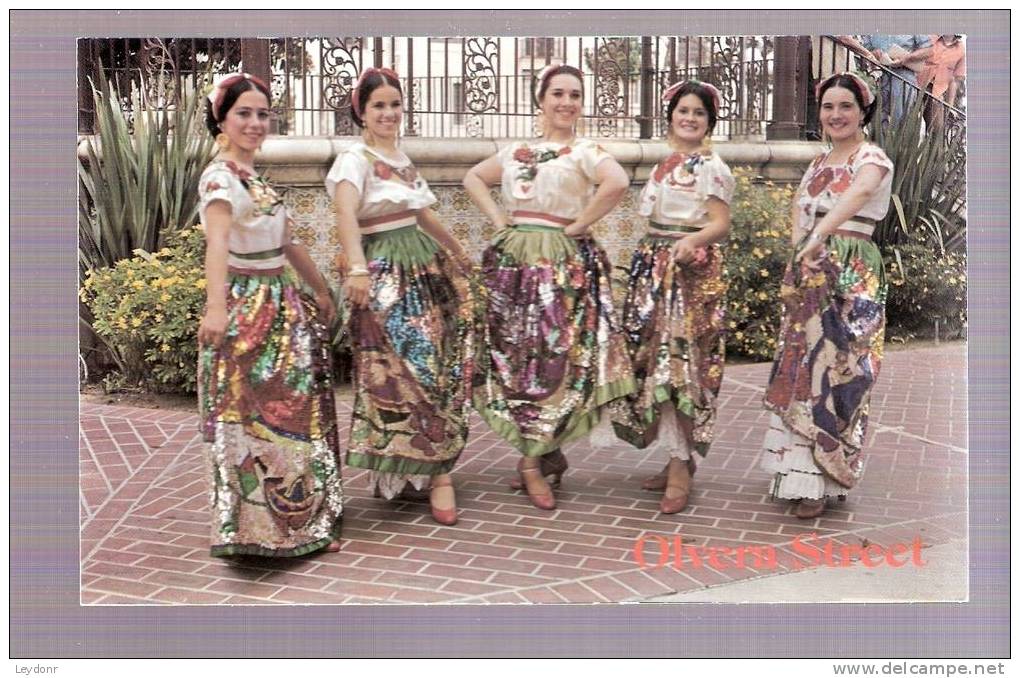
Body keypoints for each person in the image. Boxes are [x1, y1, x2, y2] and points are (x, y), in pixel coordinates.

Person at [463, 64, 634, 511]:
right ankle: (544, 453)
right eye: (558, 93)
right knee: (518, 361)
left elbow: (618, 182)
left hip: (560, 266)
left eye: (575, 95)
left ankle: (533, 461)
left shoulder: (585, 150)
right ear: (540, 99)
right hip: (513, 264)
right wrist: (500, 220)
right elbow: (473, 178)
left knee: (555, 359)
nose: (566, 102)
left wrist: (578, 224)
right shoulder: (518, 150)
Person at [197, 73, 343, 557]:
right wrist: (217, 308)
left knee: (294, 410)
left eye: (262, 113)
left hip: (283, 306)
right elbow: (217, 242)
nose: (255, 123)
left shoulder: (254, 179)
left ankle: (301, 522)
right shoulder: (219, 178)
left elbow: (287, 242)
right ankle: (253, 529)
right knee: (252, 415)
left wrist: (320, 289)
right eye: (244, 113)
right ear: (221, 119)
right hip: (247, 308)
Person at [326, 67, 476, 526]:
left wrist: (456, 249)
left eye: (394, 104)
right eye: (378, 106)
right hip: (383, 268)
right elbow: (345, 215)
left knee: (431, 363)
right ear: (362, 113)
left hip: (422, 264)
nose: (388, 113)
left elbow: (422, 212)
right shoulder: (354, 159)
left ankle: (438, 473)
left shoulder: (402, 157)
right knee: (394, 369)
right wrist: (356, 268)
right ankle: (408, 462)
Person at [760, 72, 893, 519]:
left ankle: (827, 476)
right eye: (828, 107)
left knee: (843, 368)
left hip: (852, 270)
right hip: (811, 268)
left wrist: (821, 234)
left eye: (846, 107)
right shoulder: (817, 163)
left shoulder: (871, 157)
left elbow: (857, 195)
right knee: (803, 367)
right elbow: (799, 214)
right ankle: (798, 476)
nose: (836, 115)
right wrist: (797, 261)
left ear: (862, 111)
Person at [604, 80, 734, 514]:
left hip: (689, 272)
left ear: (709, 120)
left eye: (698, 112)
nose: (690, 118)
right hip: (654, 268)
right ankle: (676, 457)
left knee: (681, 367)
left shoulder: (713, 167)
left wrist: (689, 242)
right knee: (656, 364)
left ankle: (681, 466)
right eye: (683, 111)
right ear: (671, 116)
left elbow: (720, 224)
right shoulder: (665, 163)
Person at [838, 35, 932, 124]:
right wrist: (873, 53)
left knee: (899, 120)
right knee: (876, 121)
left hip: (903, 77)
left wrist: (906, 58)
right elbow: (863, 46)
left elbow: (929, 50)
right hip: (877, 75)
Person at [917, 34, 966, 133]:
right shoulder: (930, 38)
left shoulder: (961, 49)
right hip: (916, 84)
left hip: (937, 93)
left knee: (937, 129)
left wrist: (950, 105)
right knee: (906, 120)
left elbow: (955, 80)